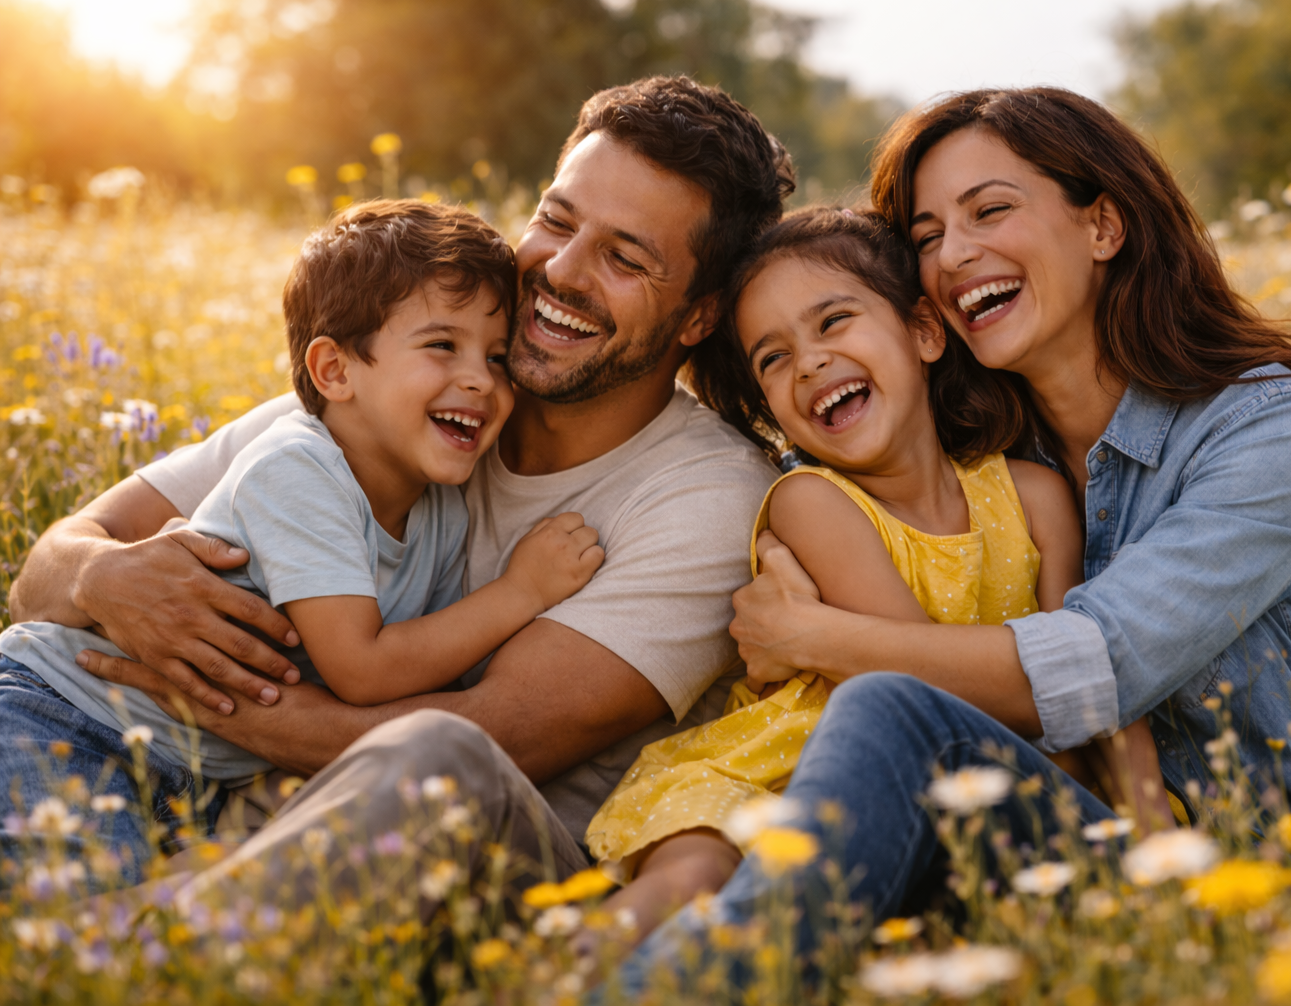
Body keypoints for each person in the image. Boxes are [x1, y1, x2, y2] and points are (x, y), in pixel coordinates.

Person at [616, 87, 1291, 989]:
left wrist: (815, 637)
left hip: (1243, 869)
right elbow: (842, 431)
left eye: (991, 211)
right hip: (1030, 831)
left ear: (1102, 226)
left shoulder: (1263, 430)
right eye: (927, 236)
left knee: (885, 707)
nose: (954, 254)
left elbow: (1101, 665)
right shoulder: (982, 456)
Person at [4, 75, 790, 907]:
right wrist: (103, 579)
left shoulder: (707, 496)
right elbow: (43, 577)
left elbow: (499, 739)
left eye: (624, 257)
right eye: (556, 220)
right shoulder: (392, 403)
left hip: (470, 876)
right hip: (195, 807)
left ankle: (118, 957)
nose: (559, 269)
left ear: (699, 317)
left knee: (439, 754)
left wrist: (167, 675)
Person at [587, 206, 1175, 941]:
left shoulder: (1034, 496)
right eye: (773, 358)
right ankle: (558, 978)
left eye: (834, 321)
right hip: (770, 778)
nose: (808, 362)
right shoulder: (813, 503)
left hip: (947, 802)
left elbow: (1094, 692)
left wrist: (1154, 834)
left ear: (925, 332)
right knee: (692, 875)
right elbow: (924, 700)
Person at [0, 200, 606, 880]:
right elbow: (365, 670)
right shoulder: (296, 469)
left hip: (193, 772)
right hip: (64, 719)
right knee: (69, 938)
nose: (480, 379)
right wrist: (519, 593)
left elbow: (414, 674)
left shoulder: (440, 507)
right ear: (334, 371)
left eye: (497, 358)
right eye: (442, 345)